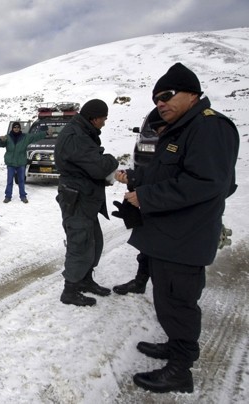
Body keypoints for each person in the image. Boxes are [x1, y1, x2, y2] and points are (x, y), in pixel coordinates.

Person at [118, 63, 239, 394]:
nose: (160, 103)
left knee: (179, 302)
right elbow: (167, 174)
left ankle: (180, 369)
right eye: (156, 99)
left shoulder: (210, 128)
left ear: (192, 94)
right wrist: (138, 182)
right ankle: (175, 345)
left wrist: (147, 196)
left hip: (184, 238)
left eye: (167, 96)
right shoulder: (181, 129)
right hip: (167, 236)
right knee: (167, 300)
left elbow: (210, 183)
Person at [54, 99, 119, 307]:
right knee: (80, 242)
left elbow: (88, 166)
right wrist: (112, 160)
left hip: (85, 197)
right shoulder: (76, 136)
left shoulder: (82, 132)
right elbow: (98, 166)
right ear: (94, 118)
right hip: (77, 198)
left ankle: (85, 279)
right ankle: (70, 290)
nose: (104, 123)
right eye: (103, 119)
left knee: (93, 241)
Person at [112, 108, 167, 295]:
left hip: (179, 214)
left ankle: (167, 294)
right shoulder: (162, 145)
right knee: (148, 243)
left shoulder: (192, 141)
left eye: (161, 129)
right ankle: (140, 281)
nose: (157, 135)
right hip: (156, 202)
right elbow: (154, 173)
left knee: (169, 258)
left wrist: (146, 196)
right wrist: (133, 180)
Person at [0, 122, 45, 203]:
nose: (16, 128)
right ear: (12, 128)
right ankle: (8, 196)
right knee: (9, 181)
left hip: (21, 162)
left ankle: (23, 196)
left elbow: (36, 136)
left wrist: (45, 133)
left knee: (21, 181)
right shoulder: (7, 137)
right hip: (11, 163)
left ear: (20, 128)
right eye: (15, 127)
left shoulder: (25, 137)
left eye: (18, 127)